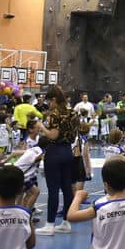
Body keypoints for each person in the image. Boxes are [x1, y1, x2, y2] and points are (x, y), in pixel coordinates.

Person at [34, 86, 80, 235]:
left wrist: (42, 127)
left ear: (54, 99)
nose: (49, 105)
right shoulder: (73, 112)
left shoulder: (54, 114)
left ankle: (50, 224)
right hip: (68, 151)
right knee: (67, 188)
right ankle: (66, 222)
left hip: (54, 152)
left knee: (53, 189)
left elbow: (53, 135)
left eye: (49, 101)